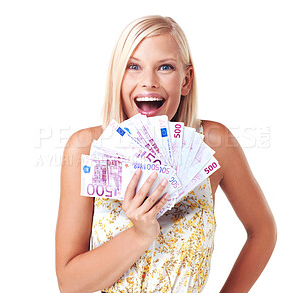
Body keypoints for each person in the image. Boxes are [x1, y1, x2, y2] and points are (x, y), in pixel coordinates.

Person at [55, 15, 277, 293]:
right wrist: (140, 233)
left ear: (186, 80)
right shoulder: (87, 148)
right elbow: (70, 284)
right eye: (133, 66)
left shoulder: (213, 144)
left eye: (165, 67)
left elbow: (262, 232)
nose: (148, 82)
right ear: (118, 77)